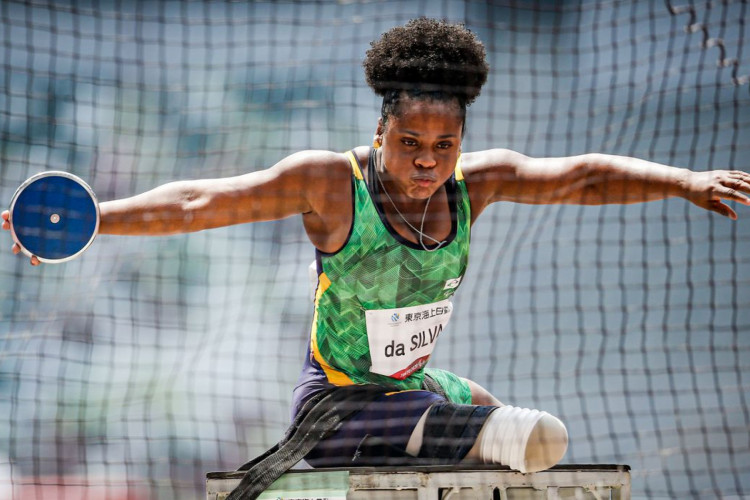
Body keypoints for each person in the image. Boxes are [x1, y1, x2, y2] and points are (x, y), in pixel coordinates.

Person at [3, 18, 750, 473]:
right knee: (528, 435)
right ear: (380, 133)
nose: (428, 161)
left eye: (445, 145)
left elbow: (580, 178)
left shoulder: (473, 185)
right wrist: (96, 216)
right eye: (411, 143)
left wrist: (684, 180)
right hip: (336, 407)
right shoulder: (330, 184)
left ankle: (463, 427)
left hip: (413, 391)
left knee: (518, 434)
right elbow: (201, 201)